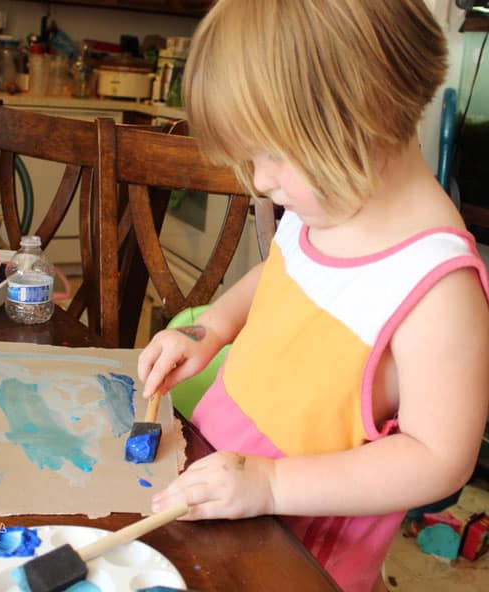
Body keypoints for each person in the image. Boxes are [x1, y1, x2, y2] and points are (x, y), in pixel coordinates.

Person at [137, 1, 489, 591]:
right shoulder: (322, 211)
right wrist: (211, 329)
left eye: (273, 153)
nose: (261, 179)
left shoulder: (438, 287)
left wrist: (271, 485)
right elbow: (277, 276)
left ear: (365, 114)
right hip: (224, 487)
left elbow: (438, 458)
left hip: (298, 552)